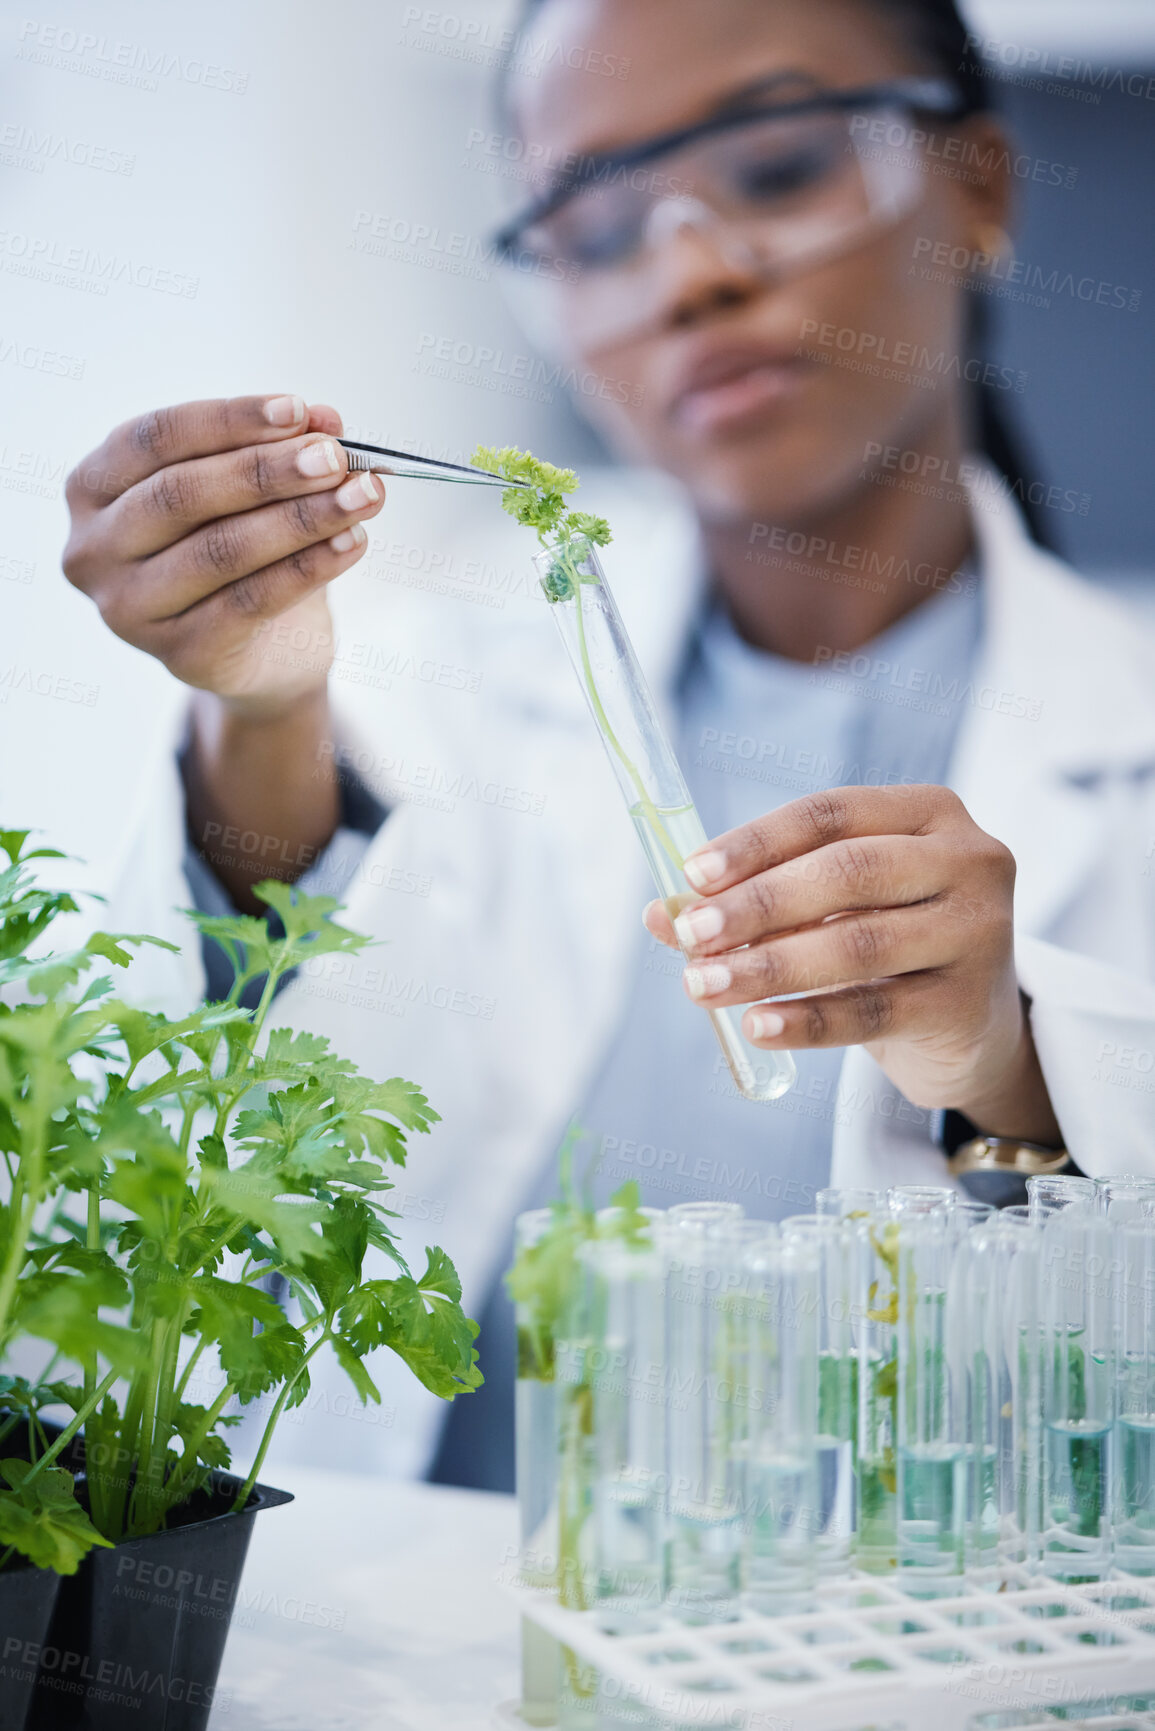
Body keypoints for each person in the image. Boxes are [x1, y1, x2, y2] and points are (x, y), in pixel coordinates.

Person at [60, 0, 1155, 1487]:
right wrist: (255, 709)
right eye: (595, 223)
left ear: (978, 186)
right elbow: (214, 1119)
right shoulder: (423, 673)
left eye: (777, 168)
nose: (691, 273)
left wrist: (1005, 1071)